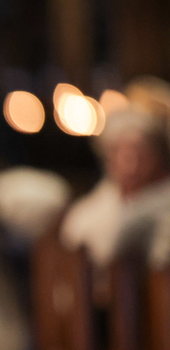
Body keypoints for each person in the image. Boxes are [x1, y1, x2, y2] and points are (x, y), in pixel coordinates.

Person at [61, 106, 170, 266]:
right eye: (125, 156)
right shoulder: (95, 204)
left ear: (156, 156)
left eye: (142, 155)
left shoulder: (164, 199)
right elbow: (73, 239)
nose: (133, 166)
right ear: (109, 158)